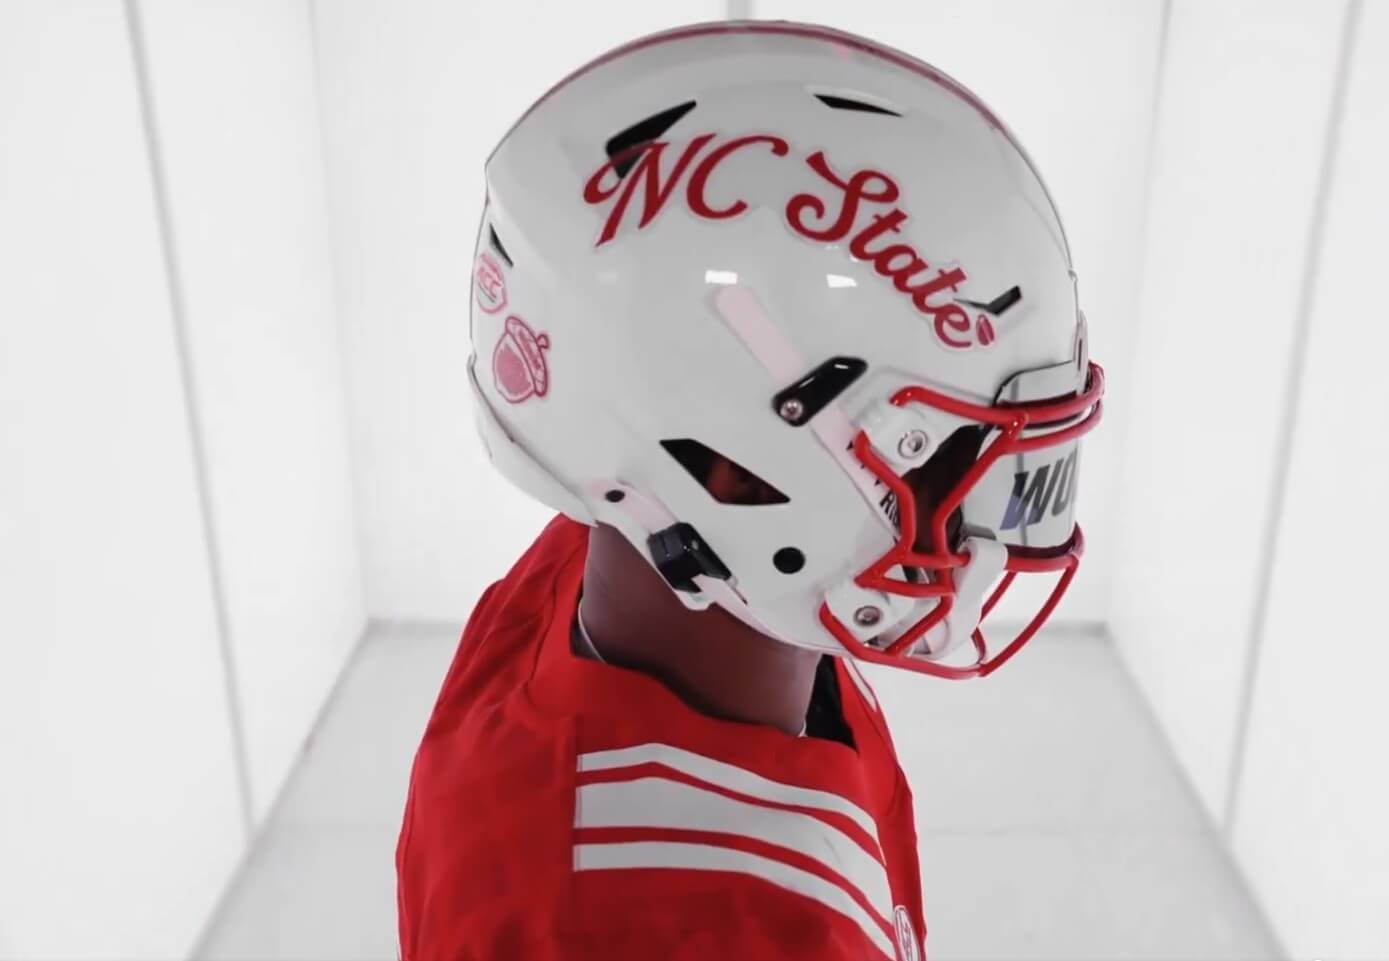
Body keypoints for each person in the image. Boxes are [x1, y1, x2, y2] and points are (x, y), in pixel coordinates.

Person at [397, 19, 1104, 961]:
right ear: (730, 472)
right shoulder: (692, 929)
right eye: (941, 448)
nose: (988, 525)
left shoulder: (629, 562)